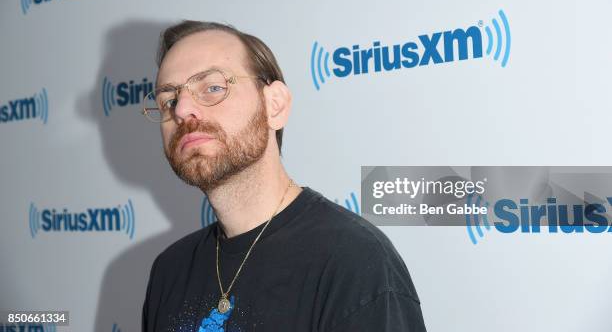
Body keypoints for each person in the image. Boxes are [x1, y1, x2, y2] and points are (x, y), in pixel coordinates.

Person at [140, 20, 427, 332]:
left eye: (212, 88)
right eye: (169, 100)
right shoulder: (171, 269)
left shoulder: (354, 261)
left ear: (274, 106)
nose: (182, 110)